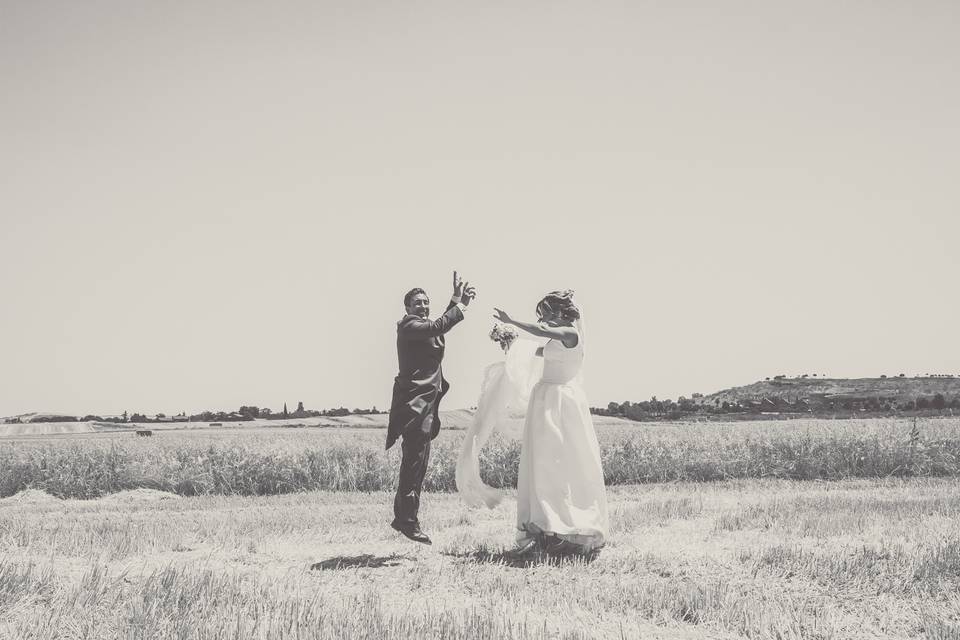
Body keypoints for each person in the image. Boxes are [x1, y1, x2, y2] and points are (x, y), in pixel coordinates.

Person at [493, 290, 608, 555]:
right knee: (542, 462)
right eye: (541, 314)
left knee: (560, 461)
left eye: (546, 313)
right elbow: (538, 351)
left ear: (560, 312)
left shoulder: (570, 333)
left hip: (560, 401)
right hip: (546, 397)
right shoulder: (558, 337)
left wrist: (511, 321)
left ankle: (565, 526)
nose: (543, 318)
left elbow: (539, 331)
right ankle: (546, 526)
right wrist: (510, 344)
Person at [387, 271, 476, 545]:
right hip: (414, 407)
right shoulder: (408, 326)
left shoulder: (422, 328)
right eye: (418, 303)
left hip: (425, 406)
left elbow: (437, 329)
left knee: (417, 463)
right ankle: (408, 522)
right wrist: (460, 307)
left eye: (426, 302)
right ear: (407, 308)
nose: (424, 306)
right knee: (414, 464)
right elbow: (437, 328)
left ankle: (403, 517)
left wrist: (455, 299)